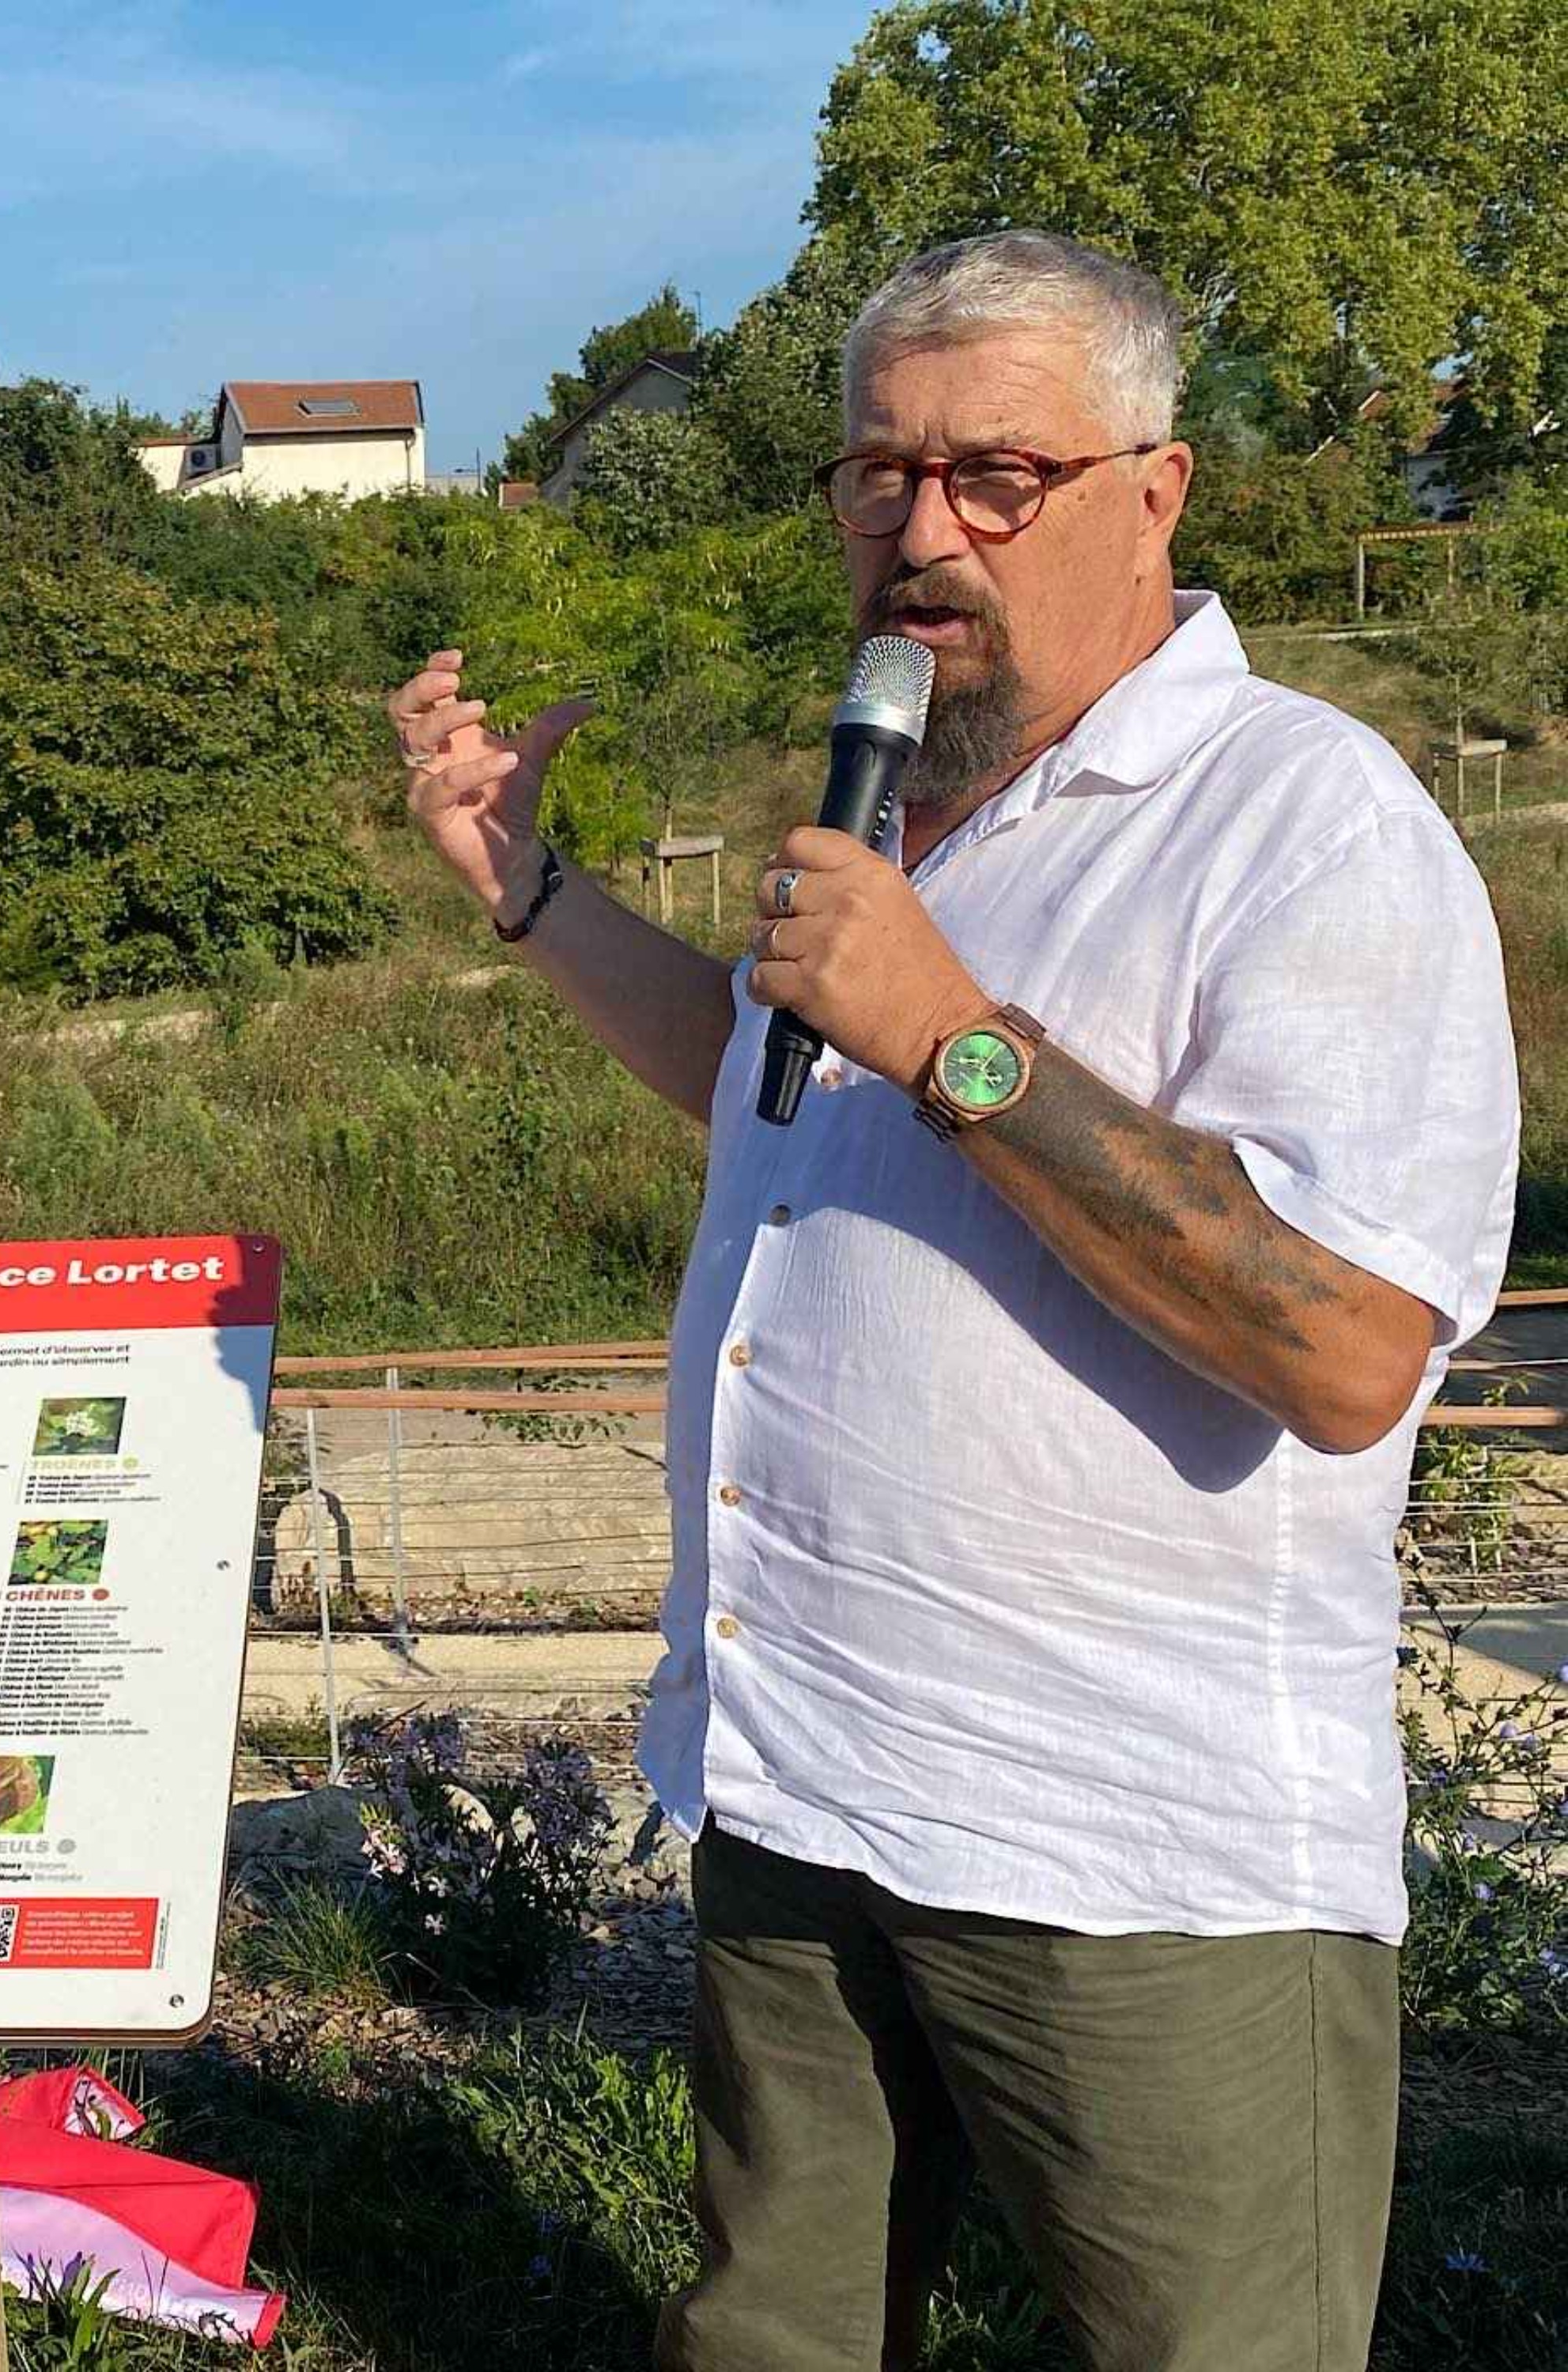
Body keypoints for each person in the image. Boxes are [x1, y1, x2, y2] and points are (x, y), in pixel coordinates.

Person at [389, 229, 1520, 2372]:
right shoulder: (916, 806)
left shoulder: (1301, 822)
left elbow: (1351, 1346)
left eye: (997, 472)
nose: (925, 528)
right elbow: (776, 1080)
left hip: (1134, 1854)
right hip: (806, 1785)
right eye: (879, 473)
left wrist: (956, 1039)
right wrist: (527, 893)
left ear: (1155, 493)